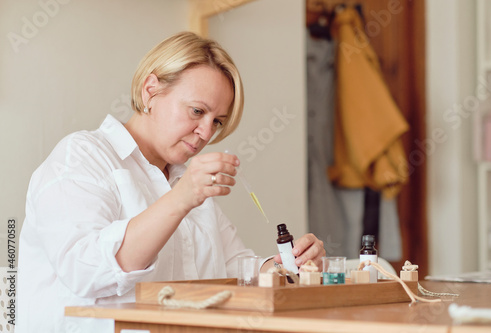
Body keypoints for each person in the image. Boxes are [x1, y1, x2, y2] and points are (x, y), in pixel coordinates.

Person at [17, 31, 325, 333]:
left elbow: (238, 269)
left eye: (217, 121)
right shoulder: (82, 157)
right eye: (197, 111)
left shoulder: (182, 180)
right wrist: (183, 197)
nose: (206, 132)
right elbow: (86, 271)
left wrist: (289, 266)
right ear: (150, 91)